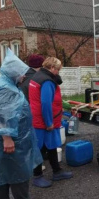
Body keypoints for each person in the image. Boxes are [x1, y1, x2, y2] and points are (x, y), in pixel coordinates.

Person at [0, 49, 43, 199]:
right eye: (21, 73)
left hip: (7, 143)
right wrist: (7, 137)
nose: (23, 77)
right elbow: (3, 115)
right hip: (11, 144)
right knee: (19, 175)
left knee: (2, 174)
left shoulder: (3, 84)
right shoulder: (6, 90)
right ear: (13, 72)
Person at [29, 57, 72, 188]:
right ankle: (37, 176)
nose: (58, 72)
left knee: (52, 145)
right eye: (58, 69)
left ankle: (57, 171)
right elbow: (46, 103)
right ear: (52, 68)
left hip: (37, 117)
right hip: (43, 121)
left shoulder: (37, 76)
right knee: (39, 148)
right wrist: (49, 123)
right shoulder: (47, 81)